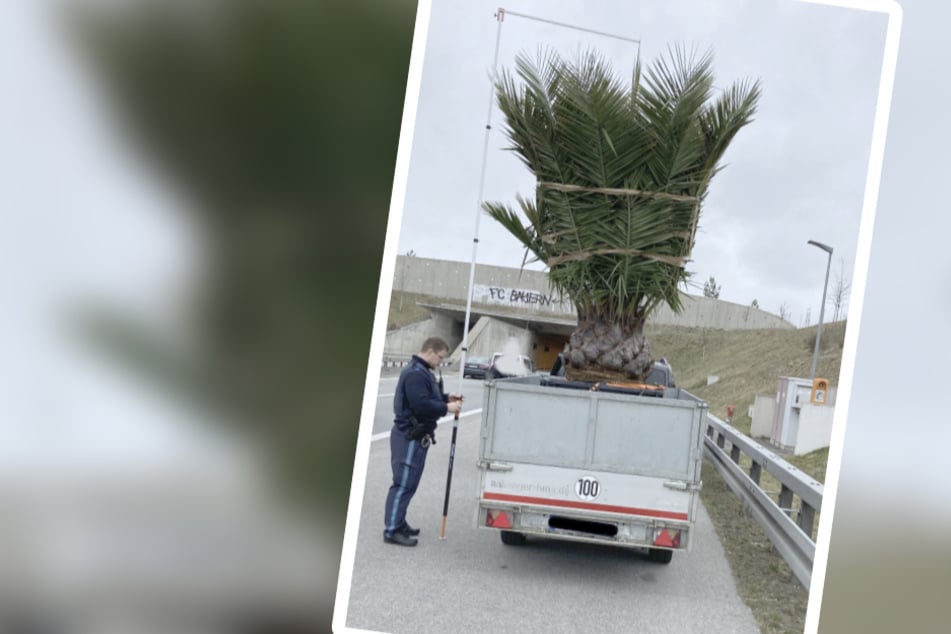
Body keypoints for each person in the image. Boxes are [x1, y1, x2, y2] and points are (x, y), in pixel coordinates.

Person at [384, 336, 463, 546]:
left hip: (418, 435)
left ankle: (399, 522)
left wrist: (446, 398)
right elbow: (421, 405)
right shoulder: (415, 374)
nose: (440, 362)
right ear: (430, 351)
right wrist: (447, 408)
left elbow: (429, 397)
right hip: (409, 434)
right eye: (440, 357)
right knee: (403, 483)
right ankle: (391, 529)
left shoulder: (422, 372)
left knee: (410, 483)